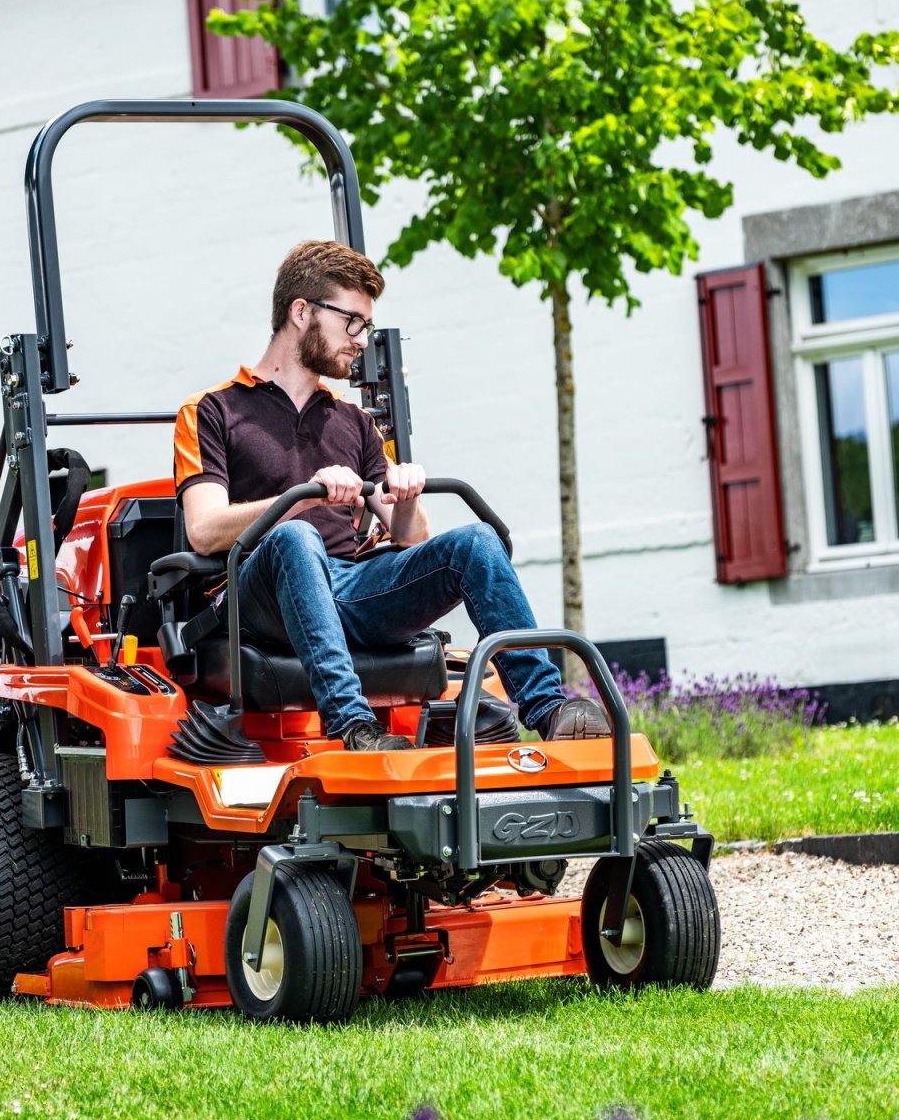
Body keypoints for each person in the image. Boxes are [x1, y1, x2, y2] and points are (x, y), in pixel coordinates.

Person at [173, 240, 608, 752]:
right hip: (255, 594)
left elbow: (411, 537)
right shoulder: (212, 411)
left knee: (475, 541)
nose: (361, 340)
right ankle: (355, 727)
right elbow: (203, 531)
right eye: (352, 321)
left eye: (367, 326)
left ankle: (550, 708)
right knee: (295, 537)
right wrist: (301, 499)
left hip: (350, 586)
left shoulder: (353, 422)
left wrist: (405, 493)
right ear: (301, 312)